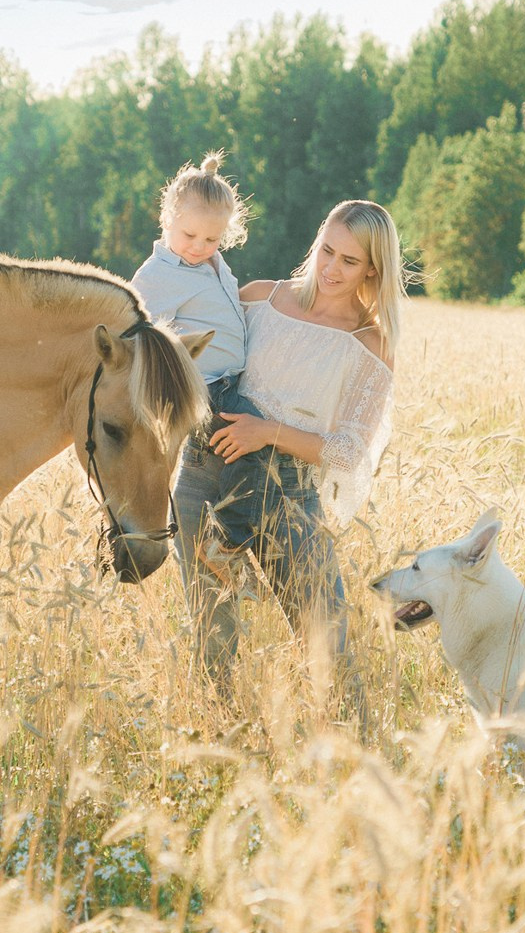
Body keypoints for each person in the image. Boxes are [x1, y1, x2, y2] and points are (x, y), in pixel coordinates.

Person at [172, 199, 403, 695]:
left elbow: (348, 453)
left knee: (329, 648)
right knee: (213, 644)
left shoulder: (370, 343)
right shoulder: (258, 299)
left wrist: (267, 432)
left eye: (349, 260)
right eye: (327, 250)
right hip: (205, 477)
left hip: (289, 497)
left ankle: (346, 737)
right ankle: (215, 732)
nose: (331, 268)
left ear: (372, 269)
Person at [130, 153, 271, 567]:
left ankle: (223, 532)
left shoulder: (213, 264)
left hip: (227, 382)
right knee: (253, 441)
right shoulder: (159, 274)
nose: (198, 247)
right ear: (167, 219)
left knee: (242, 452)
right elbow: (136, 331)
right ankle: (228, 540)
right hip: (205, 386)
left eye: (211, 239)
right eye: (189, 235)